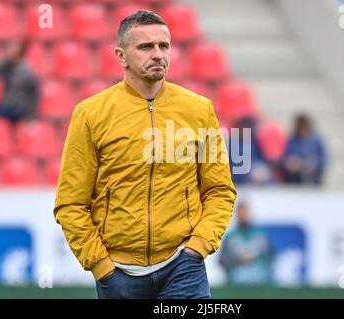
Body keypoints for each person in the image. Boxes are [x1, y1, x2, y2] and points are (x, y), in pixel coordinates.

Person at [53, 11, 237, 299]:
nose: (157, 54)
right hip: (117, 273)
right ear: (121, 56)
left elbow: (220, 190)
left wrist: (197, 248)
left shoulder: (200, 110)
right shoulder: (90, 114)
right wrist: (101, 266)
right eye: (146, 47)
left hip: (183, 268)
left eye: (164, 46)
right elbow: (70, 203)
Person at [219, 202, 273, 285]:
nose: (243, 215)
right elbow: (222, 261)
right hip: (236, 282)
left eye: (245, 212)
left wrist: (253, 257)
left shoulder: (261, 236)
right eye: (241, 213)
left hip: (260, 282)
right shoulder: (230, 237)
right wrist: (238, 259)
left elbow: (271, 257)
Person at [280, 113, 327, 185]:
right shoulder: (291, 140)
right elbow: (283, 158)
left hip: (313, 177)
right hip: (294, 177)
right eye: (300, 125)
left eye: (304, 125)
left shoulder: (316, 140)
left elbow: (323, 159)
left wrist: (314, 164)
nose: (302, 128)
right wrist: (290, 163)